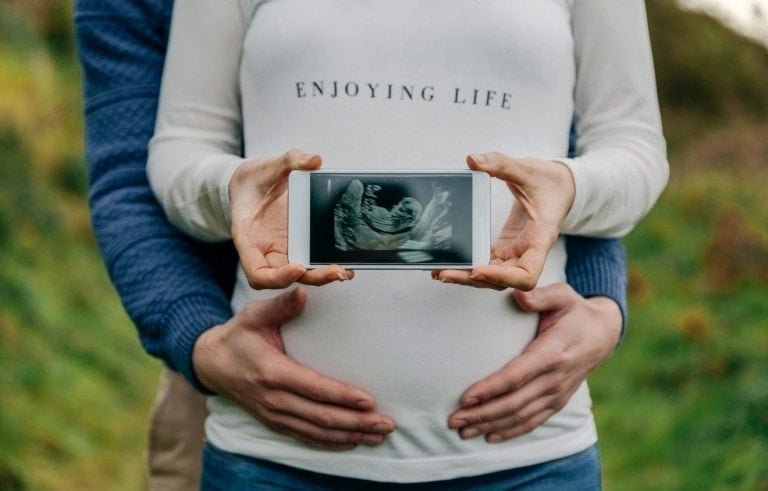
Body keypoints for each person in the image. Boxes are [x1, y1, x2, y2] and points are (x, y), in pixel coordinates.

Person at [73, 0, 640, 489]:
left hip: (529, 458)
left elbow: (592, 147)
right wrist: (198, 339)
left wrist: (601, 304)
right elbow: (142, 173)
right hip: (269, 450)